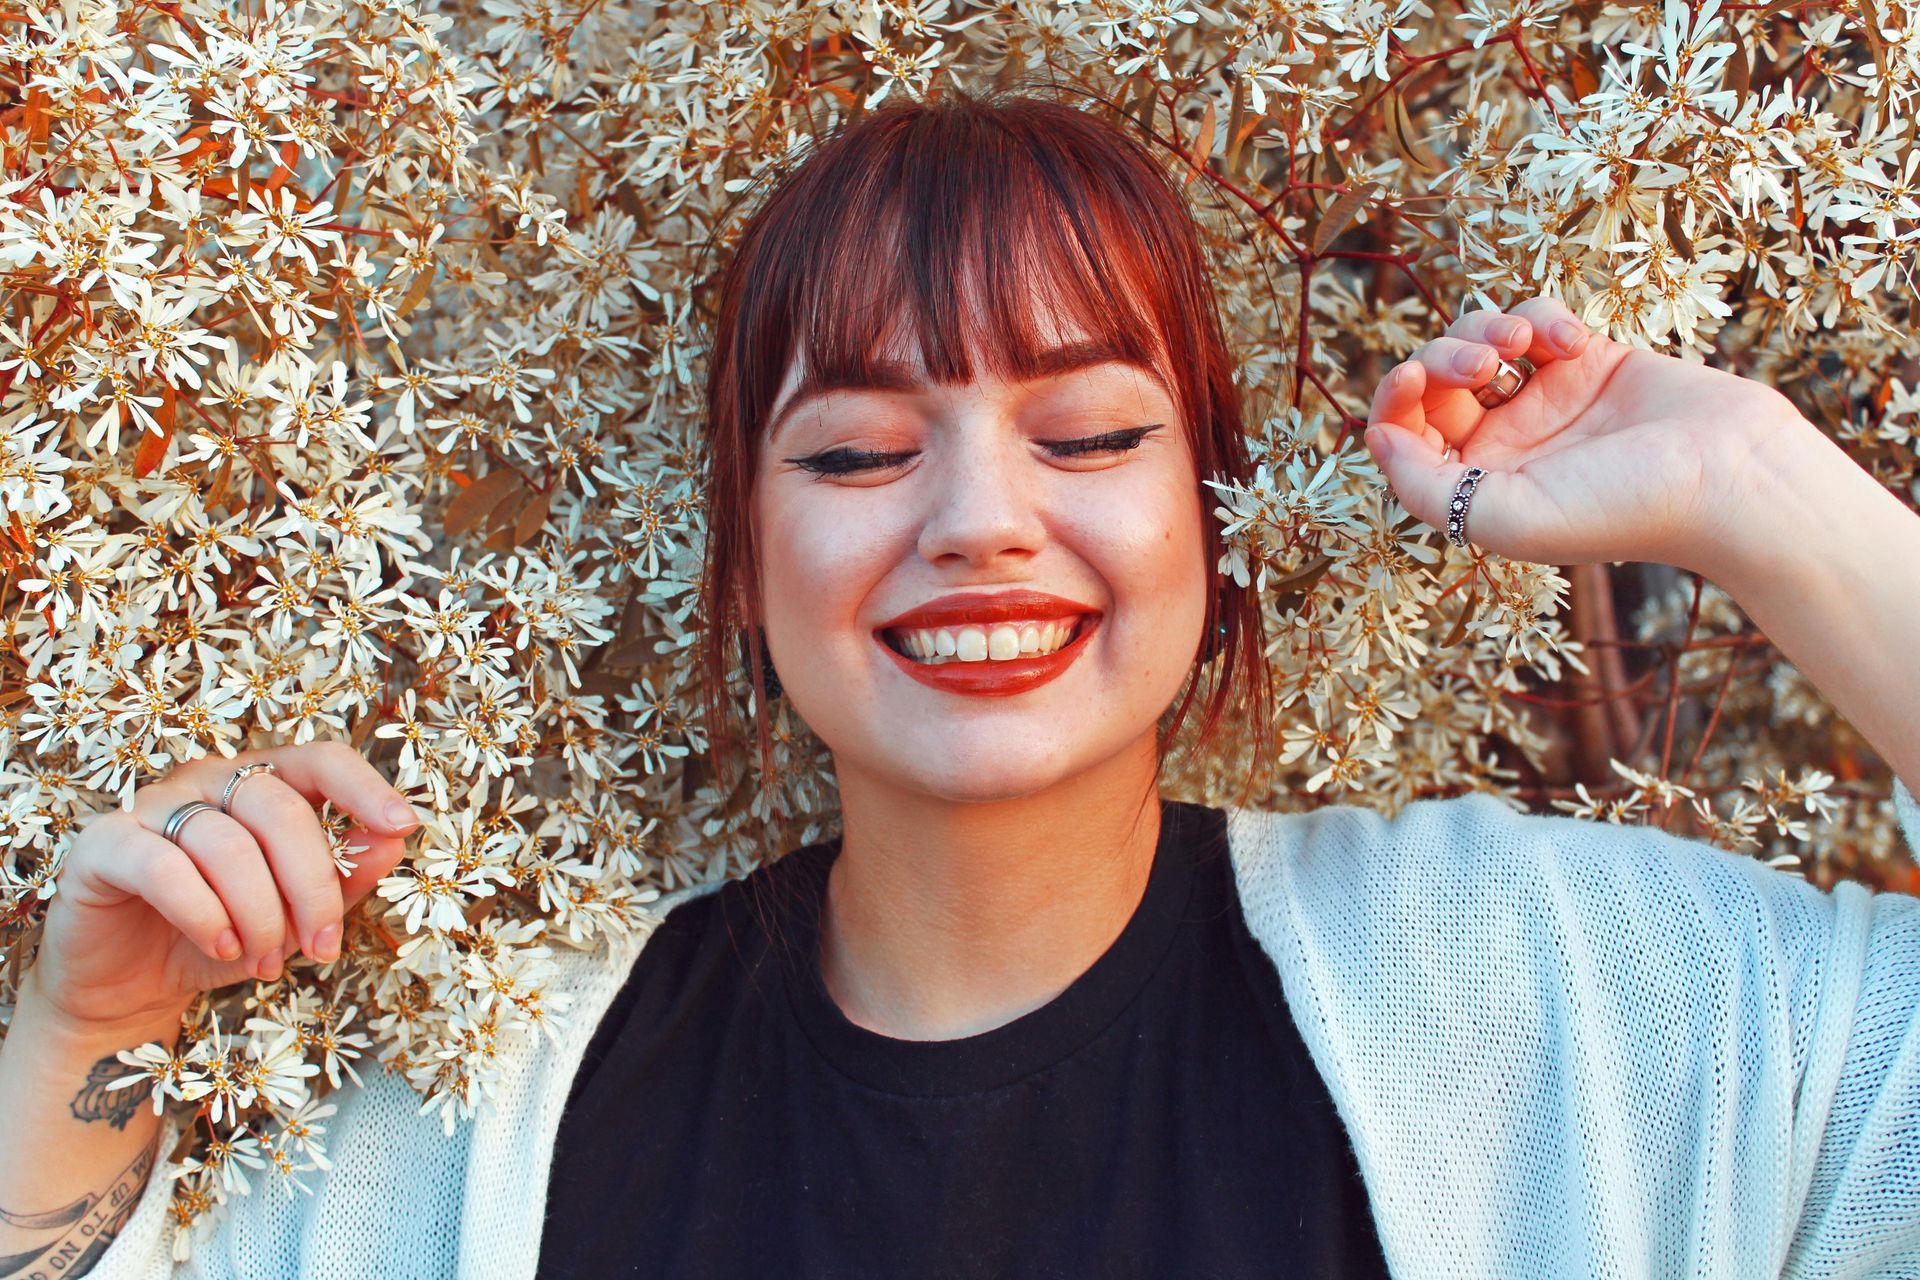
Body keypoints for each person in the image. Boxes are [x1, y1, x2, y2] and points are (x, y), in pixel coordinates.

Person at [3, 86, 1918, 1280]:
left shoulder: (1552, 999)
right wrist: (80, 1023)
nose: (979, 521)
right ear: (744, 559)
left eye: (1090, 436)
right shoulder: (500, 1121)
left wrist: (1761, 493)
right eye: (852, 455)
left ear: (1214, 511)